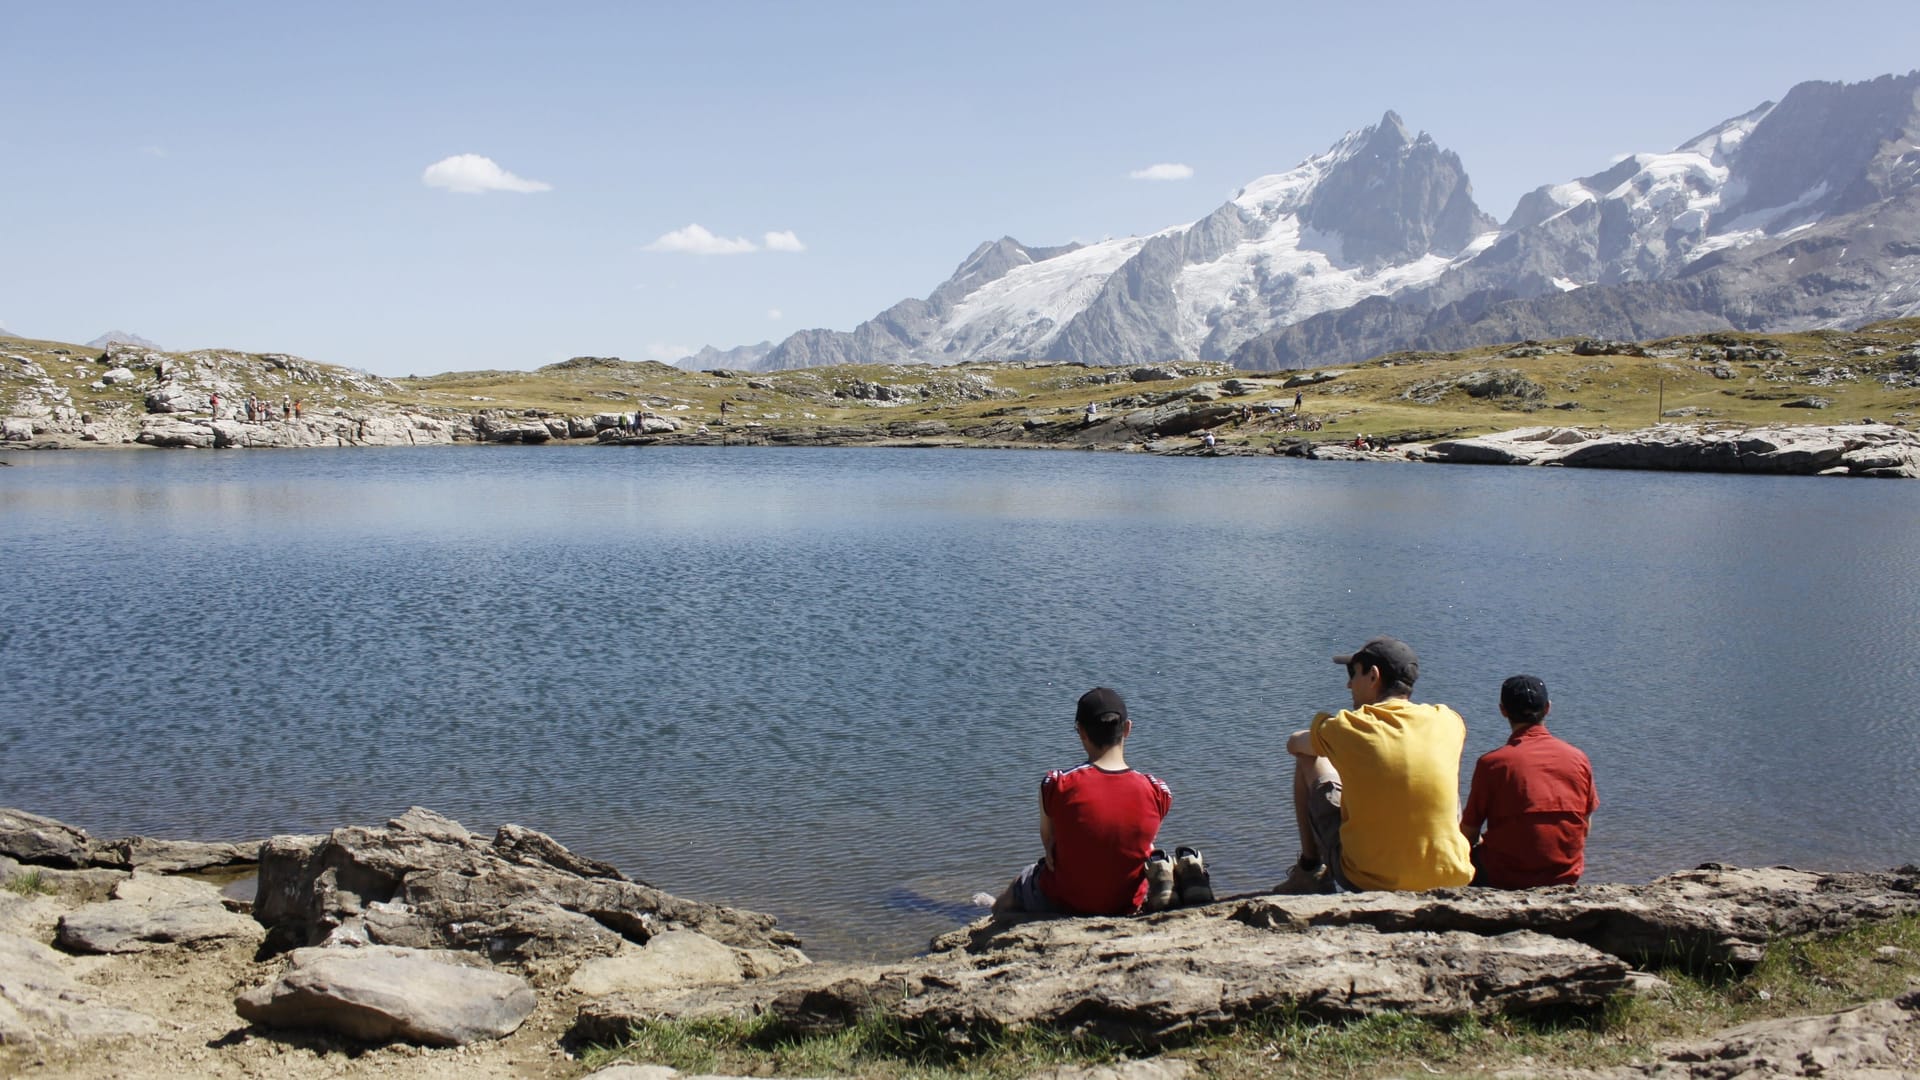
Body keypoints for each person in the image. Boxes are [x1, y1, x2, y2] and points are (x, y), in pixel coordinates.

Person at [1279, 636, 1474, 893]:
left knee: (1308, 758)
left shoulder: (1347, 726)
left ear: (1373, 676)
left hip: (1366, 878)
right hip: (1450, 876)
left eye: (1353, 673)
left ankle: (1309, 868)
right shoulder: (1449, 720)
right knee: (1433, 776)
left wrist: (1337, 753)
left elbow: (1294, 744)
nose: (1349, 684)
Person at [992, 687, 1173, 916]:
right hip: (1126, 904)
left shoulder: (1056, 784)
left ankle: (994, 915)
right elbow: (1142, 842)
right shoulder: (1157, 791)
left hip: (1065, 901)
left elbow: (1050, 844)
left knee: (1021, 883)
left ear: (1081, 732)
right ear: (1127, 729)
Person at [1460, 676, 1597, 888]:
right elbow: (1584, 825)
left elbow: (1469, 831)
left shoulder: (1493, 764)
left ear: (1503, 710)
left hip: (1504, 877)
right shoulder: (1578, 758)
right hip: (1565, 875)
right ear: (1548, 708)